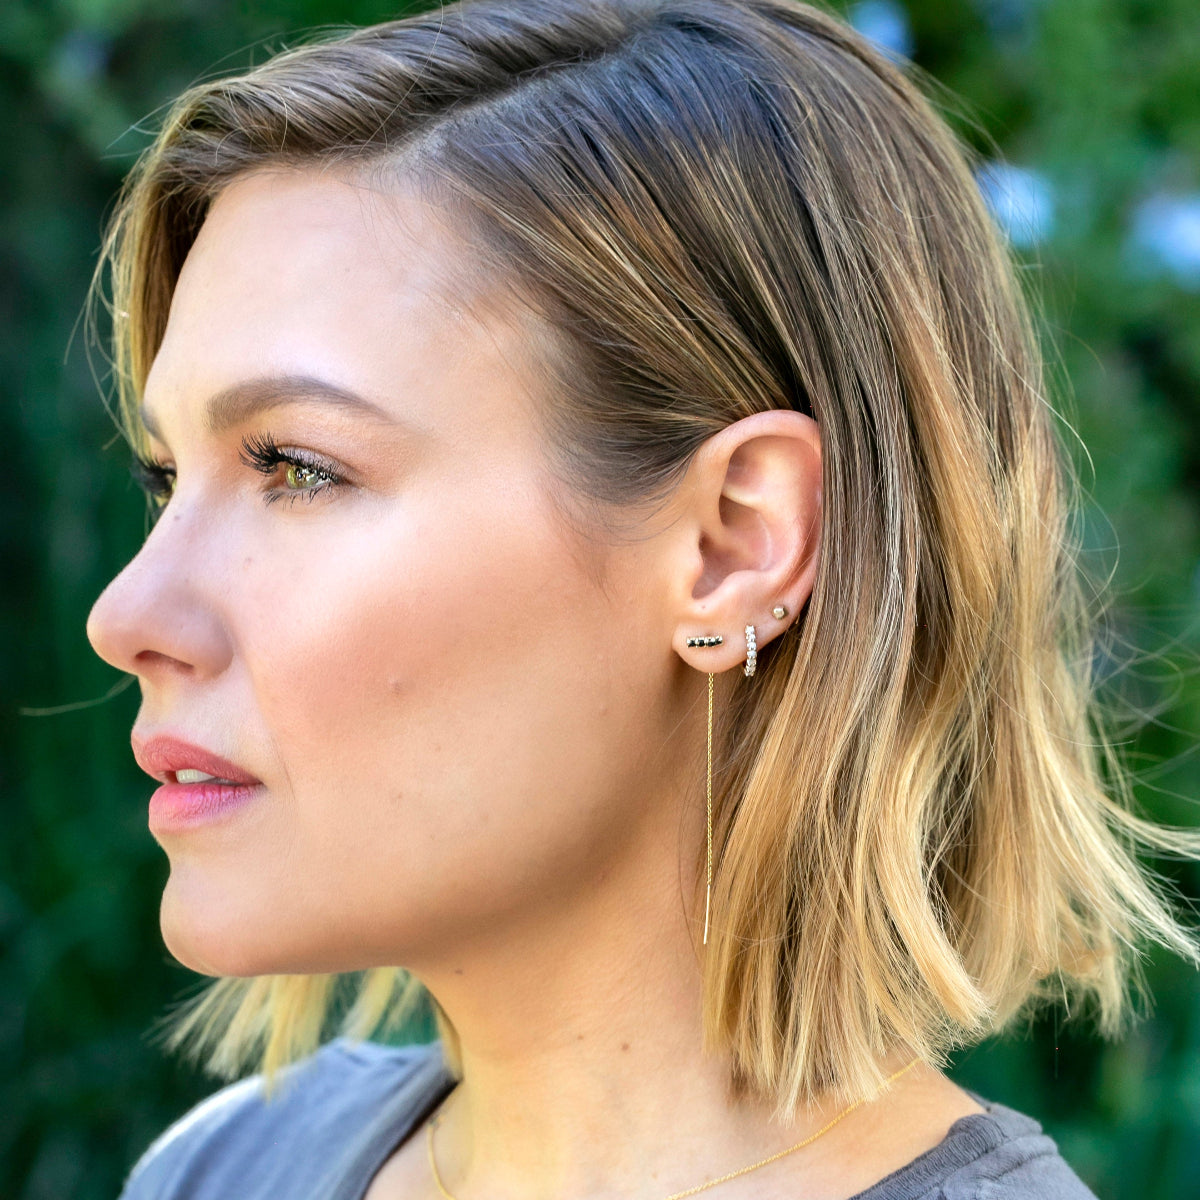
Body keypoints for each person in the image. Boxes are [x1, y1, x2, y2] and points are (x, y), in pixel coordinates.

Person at [83, 1, 1200, 1197]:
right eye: (166, 477)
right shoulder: (221, 1170)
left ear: (736, 545)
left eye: (297, 469)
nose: (126, 613)